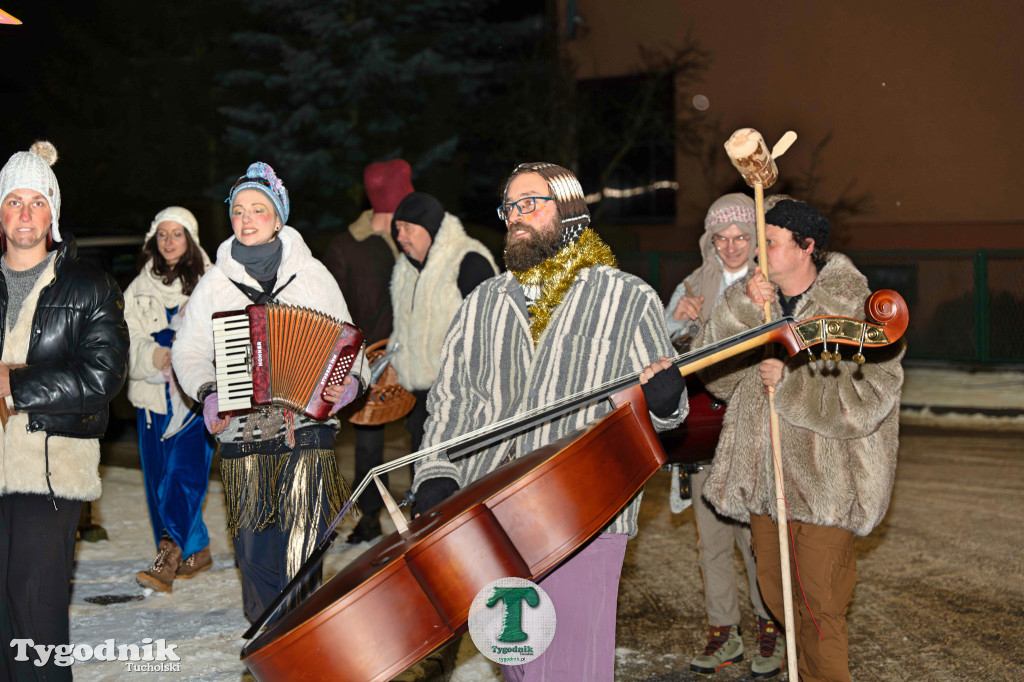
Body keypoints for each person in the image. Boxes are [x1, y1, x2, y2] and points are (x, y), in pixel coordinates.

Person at [411, 162, 687, 681]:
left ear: (570, 212)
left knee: (574, 667)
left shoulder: (626, 298)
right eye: (510, 207)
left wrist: (667, 401)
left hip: (587, 509)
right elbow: (451, 403)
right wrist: (436, 473)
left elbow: (668, 420)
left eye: (530, 203)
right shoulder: (482, 303)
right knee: (520, 664)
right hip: (491, 513)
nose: (516, 216)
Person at [695, 199, 905, 682]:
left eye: (769, 243)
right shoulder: (756, 300)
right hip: (767, 483)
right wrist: (743, 309)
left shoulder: (856, 309)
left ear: (807, 247)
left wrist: (792, 384)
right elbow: (716, 377)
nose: (757, 254)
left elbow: (873, 397)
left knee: (820, 612)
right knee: (779, 598)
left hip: (829, 487)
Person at [173, 161, 364, 623]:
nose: (247, 219)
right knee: (256, 548)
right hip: (243, 433)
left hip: (308, 428)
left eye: (258, 210)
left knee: (305, 543)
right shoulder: (216, 283)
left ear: (278, 218)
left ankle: (303, 638)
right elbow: (188, 349)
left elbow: (346, 340)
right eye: (238, 211)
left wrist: (351, 379)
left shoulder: (313, 275)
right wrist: (208, 392)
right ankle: (266, 640)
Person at [0, 141, 129, 680]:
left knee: (36, 608)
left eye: (37, 201)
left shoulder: (90, 285)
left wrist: (15, 384)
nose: (24, 213)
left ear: (53, 210)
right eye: (13, 201)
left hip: (49, 470)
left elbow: (103, 376)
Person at [663, 193, 785, 678]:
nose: (731, 248)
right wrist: (677, 319)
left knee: (756, 537)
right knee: (711, 537)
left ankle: (769, 628)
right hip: (704, 428)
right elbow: (660, 348)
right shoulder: (694, 283)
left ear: (754, 240)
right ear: (709, 241)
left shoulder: (771, 284)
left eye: (740, 238)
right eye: (722, 239)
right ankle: (723, 632)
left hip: (755, 426)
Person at [126, 206, 216, 593]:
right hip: (153, 401)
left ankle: (168, 554)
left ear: (190, 239)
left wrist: (188, 348)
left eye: (176, 234)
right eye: (162, 234)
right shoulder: (137, 289)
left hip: (197, 399)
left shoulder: (212, 283)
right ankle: (196, 548)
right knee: (159, 482)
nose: (168, 241)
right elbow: (123, 343)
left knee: (184, 475)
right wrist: (154, 354)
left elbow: (226, 335)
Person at [322, 159, 412, 544]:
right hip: (375, 362)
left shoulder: (347, 245)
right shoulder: (407, 243)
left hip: (397, 359)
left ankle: (380, 515)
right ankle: (376, 514)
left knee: (381, 441)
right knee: (385, 441)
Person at [389, 191, 497, 454]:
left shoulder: (468, 261)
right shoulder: (406, 269)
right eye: (397, 229)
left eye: (408, 228)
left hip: (463, 402)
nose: (400, 236)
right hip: (420, 401)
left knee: (458, 486)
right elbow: (403, 329)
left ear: (431, 228)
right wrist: (393, 362)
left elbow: (491, 332)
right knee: (422, 481)